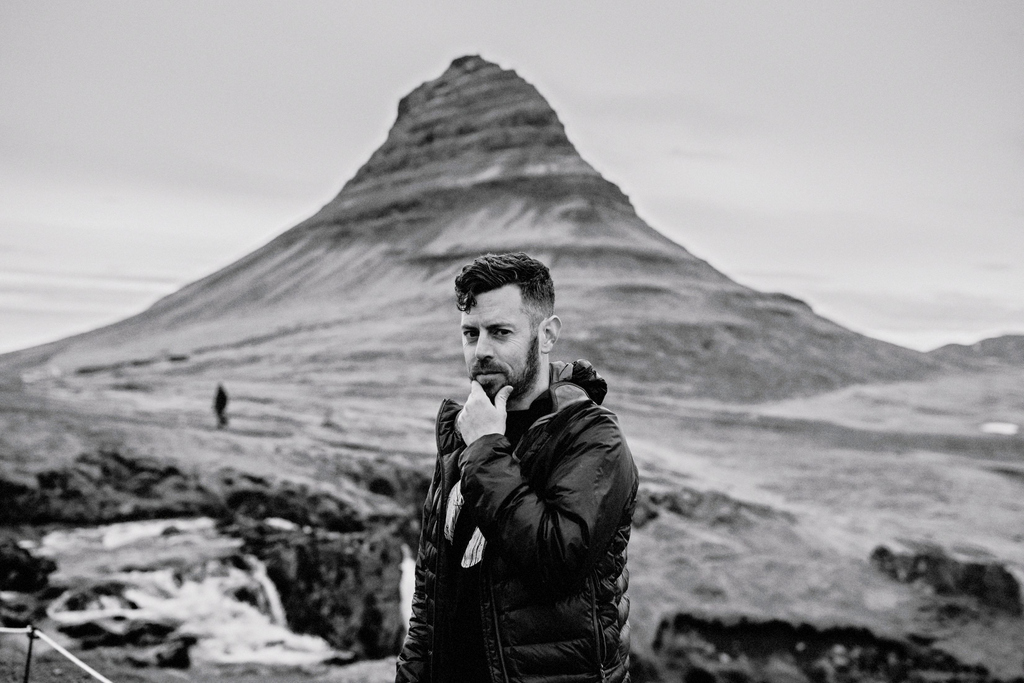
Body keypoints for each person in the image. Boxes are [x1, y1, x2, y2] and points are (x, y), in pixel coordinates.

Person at [396, 252, 638, 683]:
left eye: (500, 332)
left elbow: (557, 561)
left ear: (547, 335)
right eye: (470, 334)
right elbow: (431, 601)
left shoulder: (591, 437)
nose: (481, 350)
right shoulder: (463, 435)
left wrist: (488, 448)